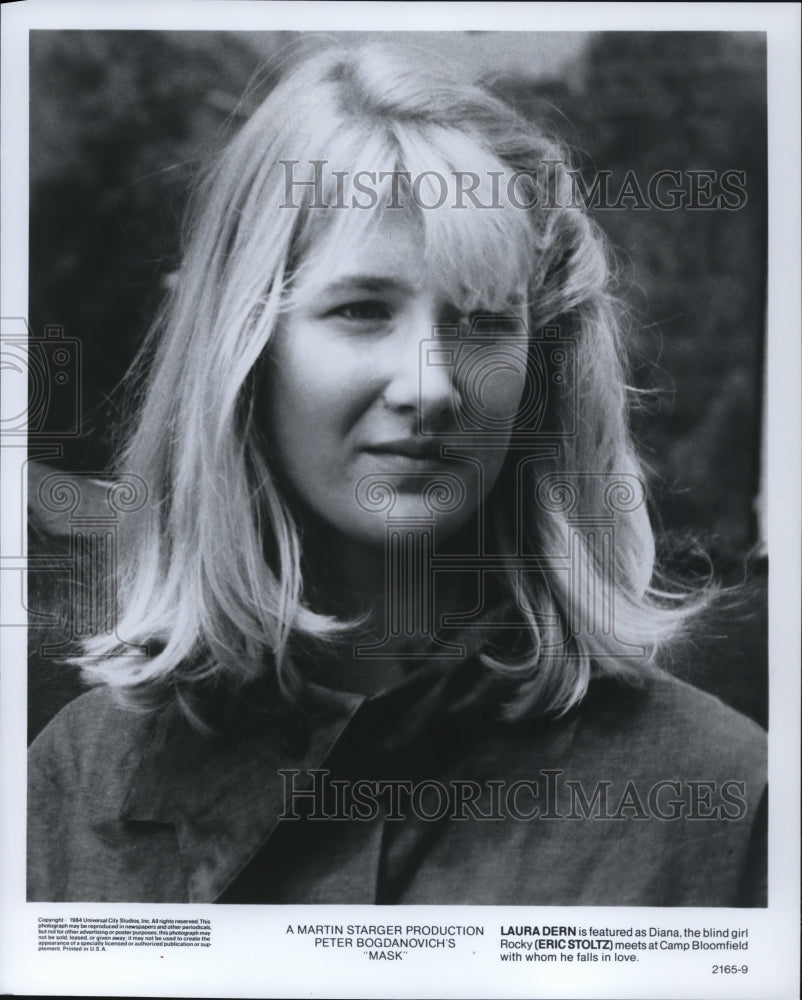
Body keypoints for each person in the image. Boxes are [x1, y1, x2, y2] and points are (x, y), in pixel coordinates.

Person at [27, 40, 766, 905]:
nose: (430, 384)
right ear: (246, 353)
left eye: (485, 322)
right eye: (362, 310)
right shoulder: (77, 784)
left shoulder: (717, 799)